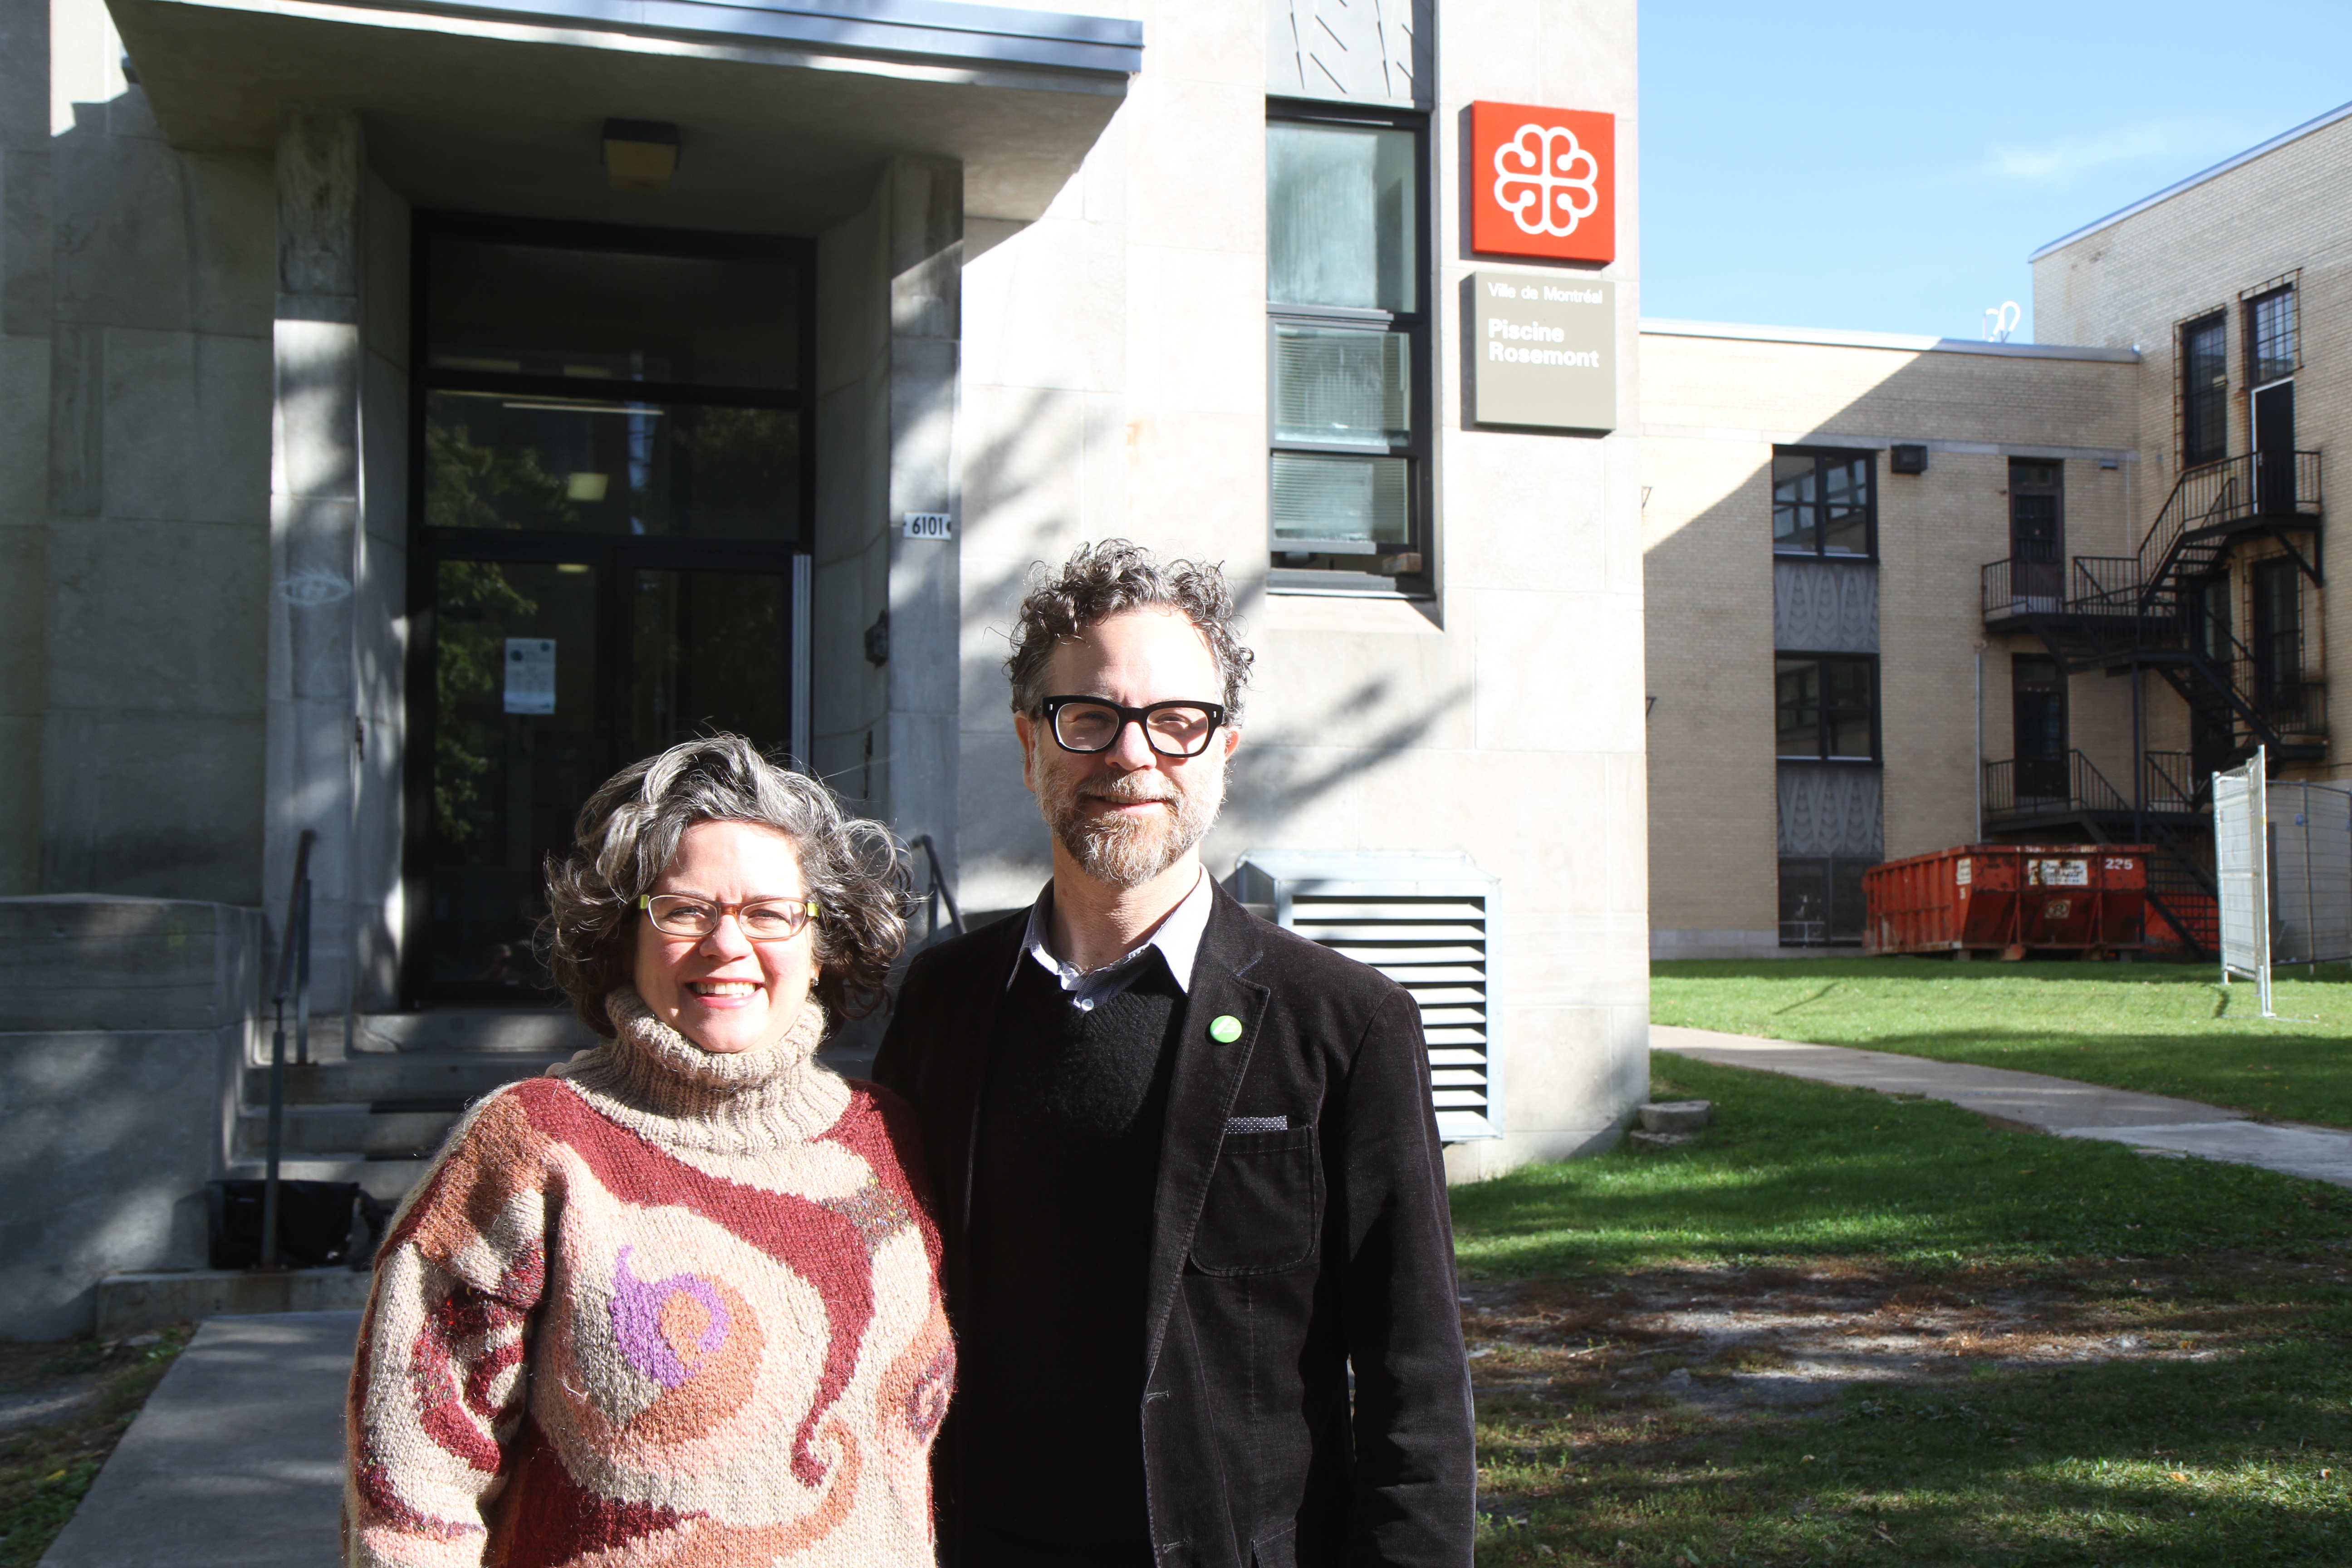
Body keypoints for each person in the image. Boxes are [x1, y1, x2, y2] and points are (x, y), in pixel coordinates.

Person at [873, 541, 1475, 1568]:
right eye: (1091, 717)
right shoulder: (944, 1000)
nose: (1133, 755)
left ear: (1224, 749)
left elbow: (1412, 1373)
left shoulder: (1346, 1023)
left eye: (1177, 722)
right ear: (1030, 744)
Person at [345, 736, 954, 1568]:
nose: (726, 945)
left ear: (822, 947)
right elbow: (411, 1495)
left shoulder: (890, 1141)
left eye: (769, 914)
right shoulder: (532, 1147)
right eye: (683, 910)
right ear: (622, 937)